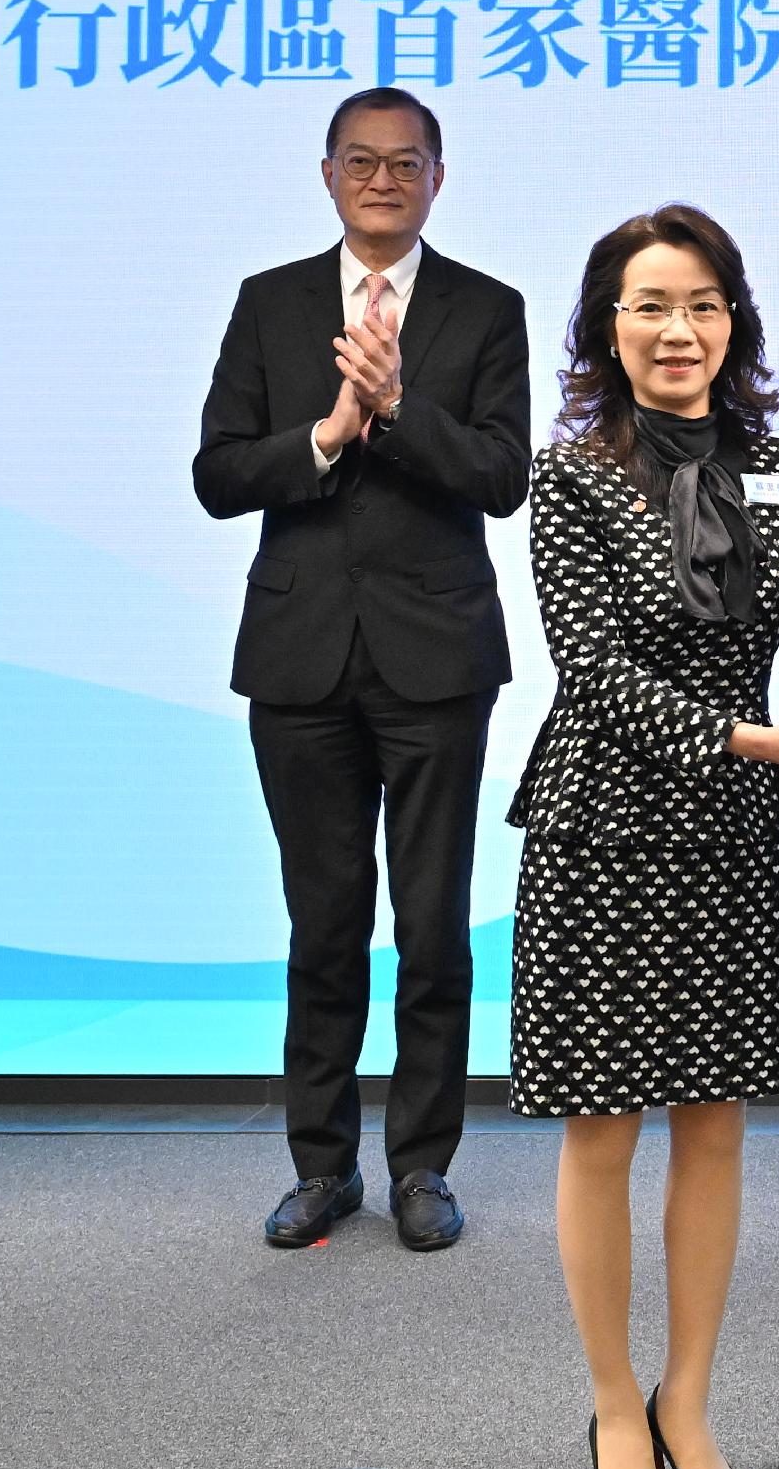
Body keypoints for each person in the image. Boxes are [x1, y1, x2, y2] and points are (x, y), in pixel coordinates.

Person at [508, 204, 779, 1469]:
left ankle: (690, 1399)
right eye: (653, 303)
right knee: (602, 1126)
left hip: (727, 833)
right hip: (606, 820)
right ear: (610, 326)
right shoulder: (571, 477)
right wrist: (742, 733)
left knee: (716, 1124)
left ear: (738, 322)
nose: (681, 328)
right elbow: (591, 669)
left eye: (706, 303)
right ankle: (614, 1401)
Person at [195, 87, 531, 1253]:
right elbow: (220, 473)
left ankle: (424, 1169)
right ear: (327, 174)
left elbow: (500, 475)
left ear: (438, 178)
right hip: (297, 658)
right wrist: (328, 437)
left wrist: (395, 409)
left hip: (435, 658)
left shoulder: (489, 308)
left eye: (406, 164)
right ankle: (322, 1168)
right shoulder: (269, 303)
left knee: (432, 928)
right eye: (361, 162)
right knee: (323, 925)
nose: (383, 180)